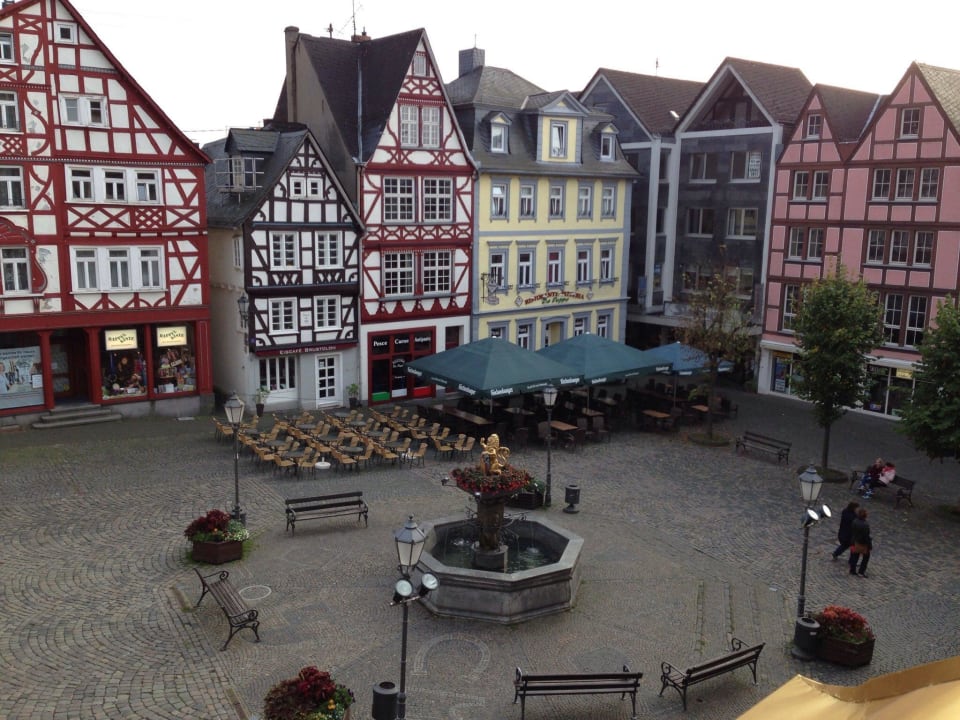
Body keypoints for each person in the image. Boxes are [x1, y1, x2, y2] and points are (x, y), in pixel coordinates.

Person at [848, 508, 872, 577]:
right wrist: (869, 545)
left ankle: (852, 570)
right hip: (862, 543)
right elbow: (866, 536)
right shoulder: (865, 525)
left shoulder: (855, 521)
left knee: (855, 556)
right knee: (866, 557)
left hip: (854, 541)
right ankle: (861, 571)